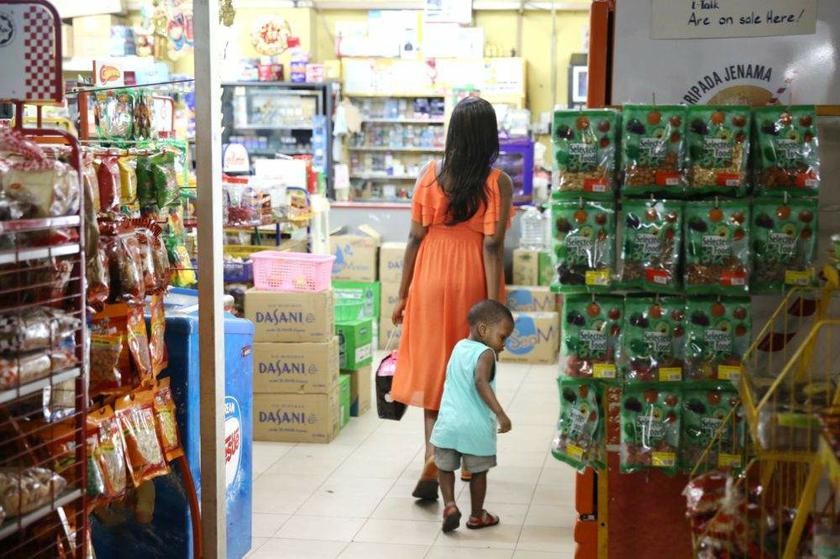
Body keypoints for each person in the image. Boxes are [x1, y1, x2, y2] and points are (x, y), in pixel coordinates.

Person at [390, 96, 514, 501]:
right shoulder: (497, 182)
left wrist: (402, 294)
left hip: (429, 276)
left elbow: (414, 237)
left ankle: (433, 455)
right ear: (489, 136)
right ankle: (467, 463)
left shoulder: (429, 174)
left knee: (434, 370)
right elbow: (493, 245)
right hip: (471, 278)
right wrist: (494, 307)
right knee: (470, 369)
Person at [430, 299, 514, 532]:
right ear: (483, 329)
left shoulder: (459, 347)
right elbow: (480, 381)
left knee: (445, 467)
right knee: (478, 472)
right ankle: (477, 516)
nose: (504, 345)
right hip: (475, 428)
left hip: (448, 424)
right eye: (503, 337)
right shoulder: (486, 353)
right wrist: (500, 413)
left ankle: (449, 505)